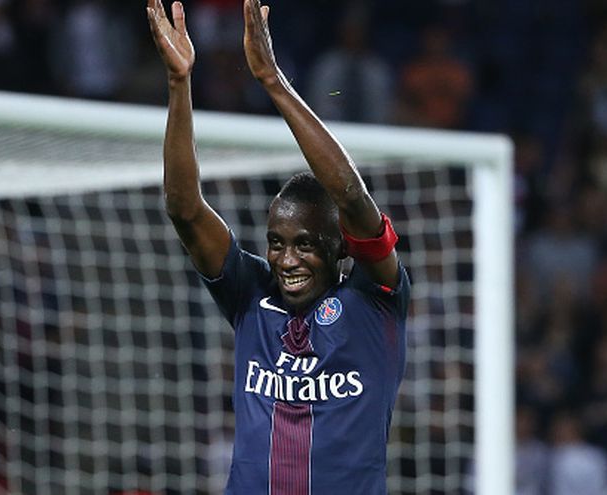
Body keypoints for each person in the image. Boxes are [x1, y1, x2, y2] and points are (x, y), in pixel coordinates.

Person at [146, 0, 410, 493]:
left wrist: (272, 81)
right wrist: (179, 83)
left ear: (342, 248)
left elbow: (351, 197)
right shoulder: (250, 293)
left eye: (305, 244)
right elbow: (184, 209)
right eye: (276, 243)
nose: (287, 260)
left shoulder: (377, 297)